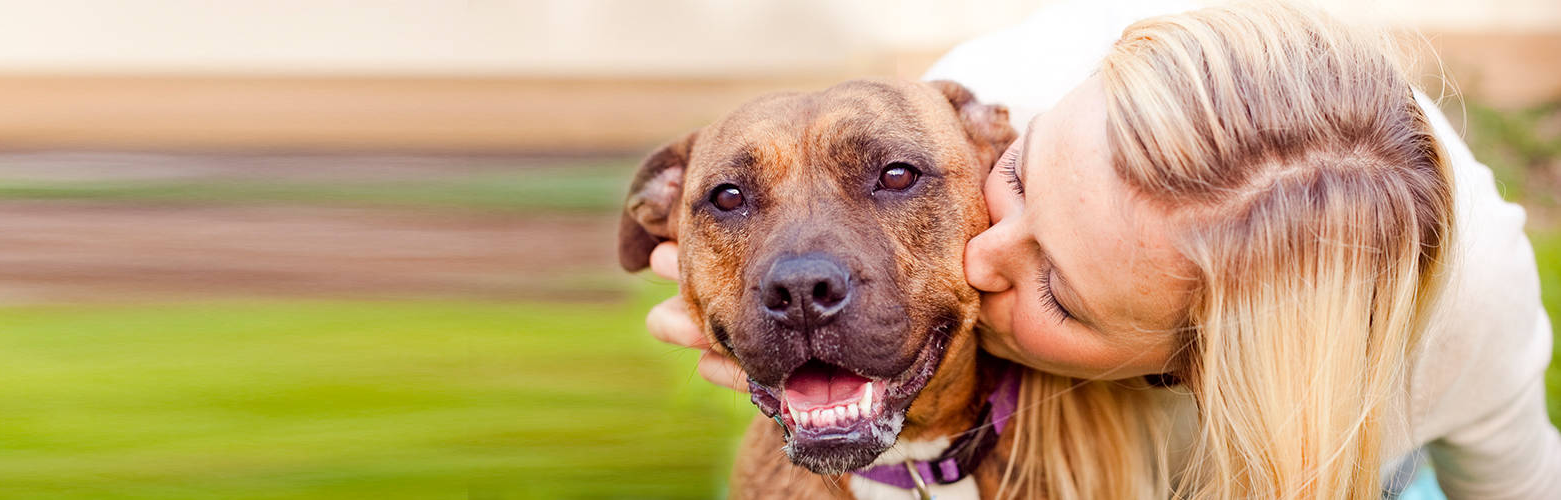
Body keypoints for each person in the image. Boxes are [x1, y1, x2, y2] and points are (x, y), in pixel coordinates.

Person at [640, 1, 1561, 498]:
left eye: (1061, 292)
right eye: (1024, 181)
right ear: (1002, 142)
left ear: (1189, 364)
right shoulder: (969, 111)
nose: (980, 257)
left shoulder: (1464, 336)